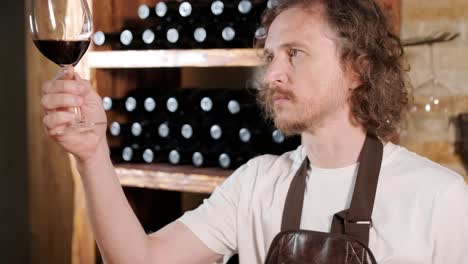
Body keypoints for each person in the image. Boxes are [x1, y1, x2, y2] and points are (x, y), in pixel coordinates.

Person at [41, 0, 468, 263]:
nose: (272, 75)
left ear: (357, 68)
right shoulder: (256, 183)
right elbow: (140, 259)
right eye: (270, 56)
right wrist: (92, 155)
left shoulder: (438, 196)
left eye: (295, 54)